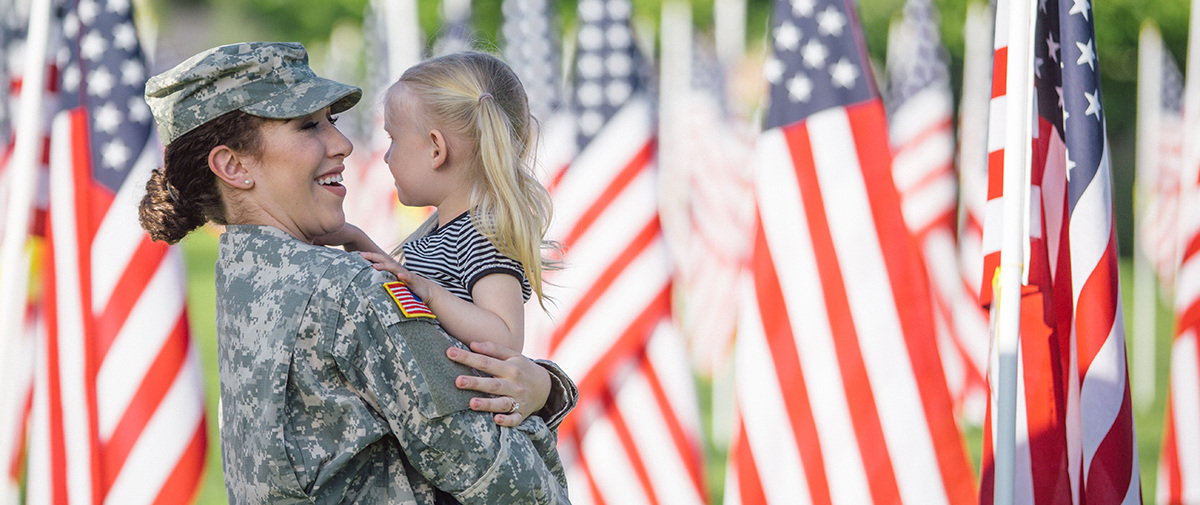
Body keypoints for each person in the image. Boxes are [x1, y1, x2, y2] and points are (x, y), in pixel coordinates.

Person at [138, 41, 574, 504]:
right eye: (308, 125)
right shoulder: (349, 292)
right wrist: (547, 390)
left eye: (334, 121)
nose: (344, 144)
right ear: (233, 165)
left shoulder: (241, 275)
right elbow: (509, 481)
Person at [330, 51, 557, 360]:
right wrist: (354, 238)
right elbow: (405, 287)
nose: (386, 156)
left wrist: (431, 293)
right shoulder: (448, 230)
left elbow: (506, 336)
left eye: (393, 139)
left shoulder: (482, 235)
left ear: (436, 149)